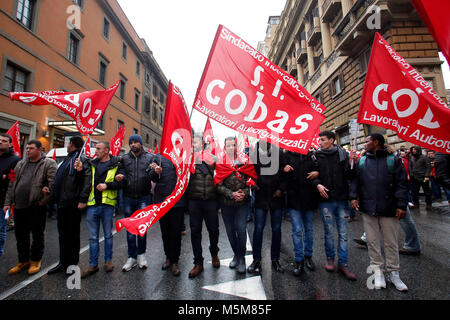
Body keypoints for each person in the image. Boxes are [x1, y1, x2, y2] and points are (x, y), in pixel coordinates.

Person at [350, 134, 408, 291]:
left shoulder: (393, 160)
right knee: (372, 242)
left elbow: (402, 183)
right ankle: (378, 272)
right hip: (368, 208)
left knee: (391, 242)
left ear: (376, 143)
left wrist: (401, 205)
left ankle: (394, 272)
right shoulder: (362, 161)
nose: (365, 143)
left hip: (389, 208)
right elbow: (355, 179)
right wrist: (353, 196)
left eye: (368, 141)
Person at [4, 140, 57, 275]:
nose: (28, 151)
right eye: (27, 148)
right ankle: (23, 260)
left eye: (31, 148)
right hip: (19, 205)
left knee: (37, 234)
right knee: (20, 235)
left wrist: (43, 201)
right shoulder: (20, 163)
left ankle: (35, 260)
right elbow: (12, 183)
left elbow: (53, 184)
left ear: (39, 150)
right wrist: (7, 203)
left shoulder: (48, 164)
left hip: (36, 205)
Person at [312, 131, 357, 281]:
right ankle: (330, 258)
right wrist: (317, 185)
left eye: (323, 140)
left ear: (331, 140)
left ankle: (343, 263)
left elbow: (349, 176)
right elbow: (312, 176)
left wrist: (351, 163)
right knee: (329, 232)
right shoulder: (316, 156)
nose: (320, 143)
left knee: (343, 233)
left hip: (341, 200)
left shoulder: (343, 155)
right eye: (319, 140)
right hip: (326, 201)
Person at [47, 136, 91, 275]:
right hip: (62, 202)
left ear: (71, 144)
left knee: (72, 234)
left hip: (72, 202)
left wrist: (83, 200)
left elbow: (86, 181)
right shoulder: (68, 158)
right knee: (63, 234)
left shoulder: (81, 160)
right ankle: (63, 261)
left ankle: (72, 263)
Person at [81, 142, 123, 278]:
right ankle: (93, 264)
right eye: (96, 149)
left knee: (108, 235)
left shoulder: (116, 164)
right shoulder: (91, 164)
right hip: (92, 204)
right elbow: (85, 181)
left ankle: (108, 261)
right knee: (93, 238)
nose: (96, 151)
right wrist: (79, 169)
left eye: (98, 149)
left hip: (107, 205)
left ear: (106, 151)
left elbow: (121, 183)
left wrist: (107, 185)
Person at [216, 137, 256, 274]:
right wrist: (231, 194)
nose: (231, 147)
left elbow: (251, 181)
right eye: (228, 145)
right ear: (224, 147)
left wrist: (243, 193)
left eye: (233, 145)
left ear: (236, 146)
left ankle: (242, 259)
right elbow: (218, 186)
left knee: (241, 228)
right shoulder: (220, 163)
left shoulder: (245, 161)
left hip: (242, 203)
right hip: (227, 203)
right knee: (230, 231)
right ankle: (237, 255)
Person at [116, 134, 154, 272]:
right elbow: (121, 172)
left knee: (142, 227)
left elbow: (153, 176)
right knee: (130, 228)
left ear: (141, 144)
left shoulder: (149, 157)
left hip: (144, 197)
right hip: (128, 197)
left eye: (135, 142)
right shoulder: (124, 158)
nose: (133, 144)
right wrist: (120, 176)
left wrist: (155, 171)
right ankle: (131, 257)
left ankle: (141, 255)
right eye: (131, 142)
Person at [247, 141, 284, 275]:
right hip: (261, 197)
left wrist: (281, 189)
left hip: (276, 198)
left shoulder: (279, 153)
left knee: (276, 229)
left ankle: (275, 259)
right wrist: (254, 183)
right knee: (258, 229)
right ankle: (256, 259)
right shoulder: (254, 154)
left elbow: (284, 174)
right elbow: (250, 172)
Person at [186, 134, 220, 278]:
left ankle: (214, 253)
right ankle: (198, 262)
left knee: (213, 230)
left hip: (211, 200)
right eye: (192, 142)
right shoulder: (188, 159)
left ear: (203, 143)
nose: (194, 143)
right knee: (195, 232)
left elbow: (221, 175)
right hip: (194, 200)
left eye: (196, 141)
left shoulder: (214, 159)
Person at [282, 146, 319, 276]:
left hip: (309, 199)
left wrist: (317, 173)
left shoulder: (312, 156)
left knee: (309, 229)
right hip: (294, 200)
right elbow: (281, 178)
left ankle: (308, 256)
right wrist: (284, 170)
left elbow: (319, 172)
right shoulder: (287, 156)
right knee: (297, 230)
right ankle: (299, 260)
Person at [151, 152, 187, 277]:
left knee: (176, 233)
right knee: (165, 232)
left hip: (177, 201)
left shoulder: (183, 156)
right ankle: (168, 257)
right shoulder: (158, 157)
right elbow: (151, 177)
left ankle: (175, 261)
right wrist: (156, 172)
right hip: (162, 201)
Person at [0, 133, 21, 258]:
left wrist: (4, 177)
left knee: (1, 229)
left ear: (9, 144)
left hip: (3, 200)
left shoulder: (15, 160)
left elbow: (12, 178)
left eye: (3, 140)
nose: (0, 142)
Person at [409, 146, 432, 210]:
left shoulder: (425, 158)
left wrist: (427, 176)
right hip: (415, 178)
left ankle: (428, 204)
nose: (413, 151)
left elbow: (428, 167)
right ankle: (416, 203)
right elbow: (412, 167)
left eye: (415, 149)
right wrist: (411, 174)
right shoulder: (412, 158)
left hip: (423, 178)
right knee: (415, 192)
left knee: (427, 192)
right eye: (413, 149)